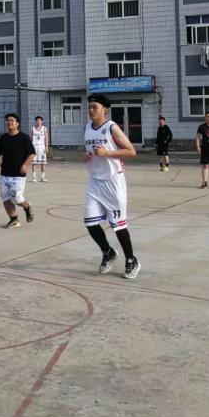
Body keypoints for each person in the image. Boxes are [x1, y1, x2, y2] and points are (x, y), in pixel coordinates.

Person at [82, 94, 140, 279]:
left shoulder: (111, 127)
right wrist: (87, 157)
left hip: (113, 182)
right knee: (90, 222)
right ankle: (108, 252)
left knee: (118, 225)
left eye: (95, 107)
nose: (91, 110)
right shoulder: (87, 128)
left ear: (104, 110)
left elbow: (131, 151)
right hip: (94, 180)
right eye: (89, 107)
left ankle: (131, 260)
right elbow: (91, 151)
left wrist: (107, 153)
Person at [0, 114, 36, 228]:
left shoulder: (24, 138)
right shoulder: (4, 138)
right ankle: (14, 220)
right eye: (8, 121)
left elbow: (31, 153)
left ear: (17, 123)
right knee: (5, 198)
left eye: (12, 120)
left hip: (18, 175)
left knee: (16, 198)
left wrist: (25, 165)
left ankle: (27, 206)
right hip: (4, 174)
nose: (9, 122)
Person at [29, 116, 48, 183]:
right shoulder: (32, 129)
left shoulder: (44, 128)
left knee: (43, 163)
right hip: (34, 147)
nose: (38, 121)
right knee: (34, 163)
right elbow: (30, 139)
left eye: (39, 120)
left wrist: (46, 147)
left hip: (42, 147)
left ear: (42, 121)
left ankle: (42, 177)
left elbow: (46, 138)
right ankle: (34, 177)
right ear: (35, 121)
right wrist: (30, 148)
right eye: (37, 120)